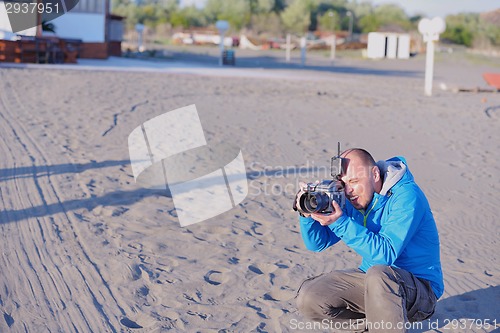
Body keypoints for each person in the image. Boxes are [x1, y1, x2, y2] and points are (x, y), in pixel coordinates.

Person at [294, 148, 443, 333]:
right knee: (310, 296)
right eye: (343, 183)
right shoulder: (351, 197)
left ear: (374, 174)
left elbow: (385, 255)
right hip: (374, 282)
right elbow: (317, 243)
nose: (348, 191)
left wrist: (340, 222)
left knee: (379, 274)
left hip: (421, 290)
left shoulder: (406, 196)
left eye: (354, 182)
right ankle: (376, 327)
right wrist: (307, 214)